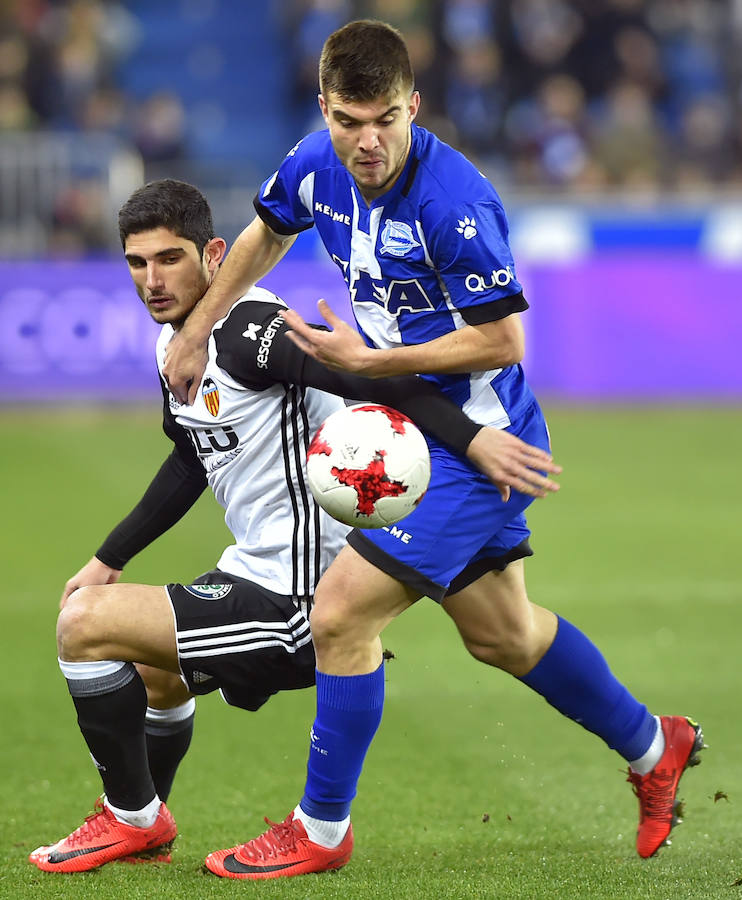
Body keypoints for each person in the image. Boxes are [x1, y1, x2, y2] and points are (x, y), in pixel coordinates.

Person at [161, 21, 705, 881]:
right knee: (504, 635)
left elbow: (503, 341)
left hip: (475, 444)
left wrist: (371, 364)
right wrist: (198, 328)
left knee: (340, 613)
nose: (367, 141)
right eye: (349, 120)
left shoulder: (454, 202)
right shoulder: (314, 162)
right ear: (325, 110)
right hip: (410, 426)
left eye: (384, 118)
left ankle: (321, 830)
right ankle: (654, 745)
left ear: (414, 105)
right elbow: (267, 230)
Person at [29, 179, 561, 873]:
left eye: (170, 259)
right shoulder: (179, 346)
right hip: (252, 573)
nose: (153, 280)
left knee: (82, 626)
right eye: (137, 263)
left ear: (215, 255)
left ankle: (130, 818)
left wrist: (471, 439)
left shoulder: (253, 330)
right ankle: (148, 820)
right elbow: (193, 455)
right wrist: (109, 556)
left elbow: (376, 383)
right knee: (151, 675)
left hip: (299, 600)